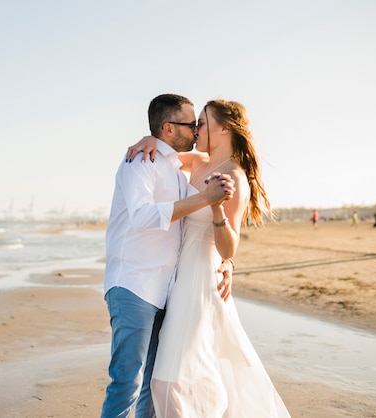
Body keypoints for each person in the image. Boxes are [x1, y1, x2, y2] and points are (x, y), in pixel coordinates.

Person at [127, 99, 290, 417]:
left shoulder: (235, 177)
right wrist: (148, 139)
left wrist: (216, 207)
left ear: (224, 128)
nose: (196, 129)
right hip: (178, 280)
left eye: (202, 122)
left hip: (202, 283)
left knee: (166, 381)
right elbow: (164, 149)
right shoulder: (198, 162)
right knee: (190, 373)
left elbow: (229, 248)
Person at [102, 94, 236, 418]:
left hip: (167, 291)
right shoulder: (140, 161)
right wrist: (206, 198)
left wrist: (227, 261)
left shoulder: (177, 168)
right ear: (168, 129)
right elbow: (144, 217)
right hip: (133, 285)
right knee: (126, 384)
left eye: (197, 124)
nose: (195, 131)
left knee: (151, 385)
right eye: (190, 125)